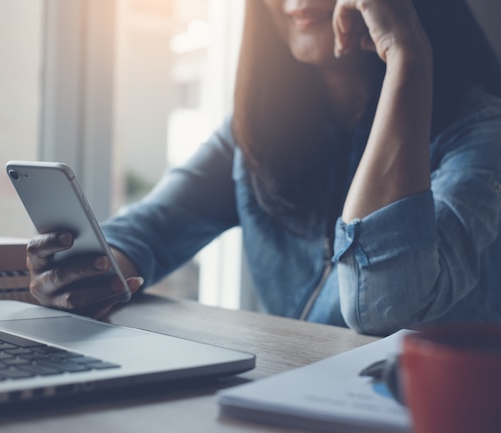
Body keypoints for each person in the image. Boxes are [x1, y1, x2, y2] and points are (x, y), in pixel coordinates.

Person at [25, 0, 501, 336]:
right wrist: (87, 275)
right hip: (296, 399)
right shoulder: (257, 130)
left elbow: (385, 304)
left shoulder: (483, 134)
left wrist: (409, 56)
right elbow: (149, 228)